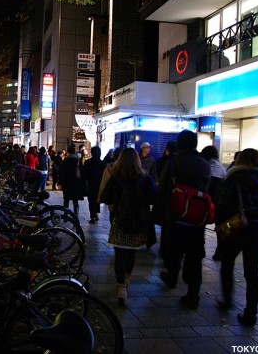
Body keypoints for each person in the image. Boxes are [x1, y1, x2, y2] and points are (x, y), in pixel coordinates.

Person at [214, 148, 258, 326]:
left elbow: (222, 205)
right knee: (252, 274)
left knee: (227, 265)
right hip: (256, 234)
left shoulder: (232, 180)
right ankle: (251, 313)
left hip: (234, 232)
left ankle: (227, 300)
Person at [157, 130, 211, 309]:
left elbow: (164, 189)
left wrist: (161, 212)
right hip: (197, 220)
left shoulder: (174, 163)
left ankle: (172, 276)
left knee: (173, 251)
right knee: (195, 256)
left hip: (176, 216)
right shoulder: (204, 164)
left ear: (180, 144)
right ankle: (193, 294)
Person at [99, 148, 156, 306]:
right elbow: (153, 198)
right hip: (138, 221)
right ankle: (126, 281)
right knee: (131, 253)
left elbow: (106, 197)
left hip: (119, 220)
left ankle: (121, 287)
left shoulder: (116, 176)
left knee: (120, 254)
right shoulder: (144, 177)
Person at [201, 145, 227, 262]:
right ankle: (220, 252)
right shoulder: (221, 168)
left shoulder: (207, 167)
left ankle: (200, 250)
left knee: (200, 226)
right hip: (221, 203)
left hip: (207, 202)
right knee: (220, 228)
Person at [59, 144, 86, 216]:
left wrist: (61, 182)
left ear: (68, 152)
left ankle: (65, 215)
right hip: (76, 183)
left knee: (66, 200)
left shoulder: (66, 160)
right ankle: (76, 216)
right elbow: (82, 172)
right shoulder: (78, 161)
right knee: (75, 201)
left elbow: (62, 172)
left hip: (67, 183)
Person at [83, 146, 106, 224]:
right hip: (100, 184)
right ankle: (96, 213)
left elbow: (84, 174)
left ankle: (92, 215)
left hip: (90, 184)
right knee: (97, 199)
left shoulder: (88, 162)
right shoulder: (102, 163)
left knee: (91, 200)